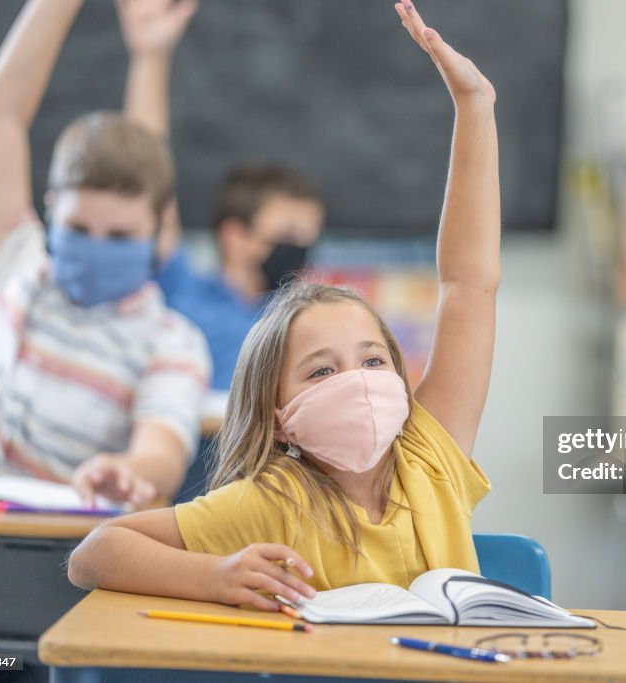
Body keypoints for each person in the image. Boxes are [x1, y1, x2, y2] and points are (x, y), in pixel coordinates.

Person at [68, 0, 500, 607]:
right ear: (277, 414)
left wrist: (475, 106)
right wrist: (215, 578)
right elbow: (94, 553)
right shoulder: (271, 501)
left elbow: (469, 287)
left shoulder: (432, 460)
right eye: (322, 371)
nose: (358, 384)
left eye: (374, 362)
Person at [0, 0, 211, 509]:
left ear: (158, 228)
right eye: (79, 228)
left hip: (39, 547)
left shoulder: (171, 343)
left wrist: (127, 471)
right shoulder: (16, 262)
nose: (97, 246)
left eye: (121, 236)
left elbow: (163, 453)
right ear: (50, 208)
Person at [116, 0, 325, 391]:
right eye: (289, 234)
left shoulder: (301, 321)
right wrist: (150, 58)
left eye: (309, 238)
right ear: (235, 236)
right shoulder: (179, 290)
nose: (301, 249)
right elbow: (146, 175)